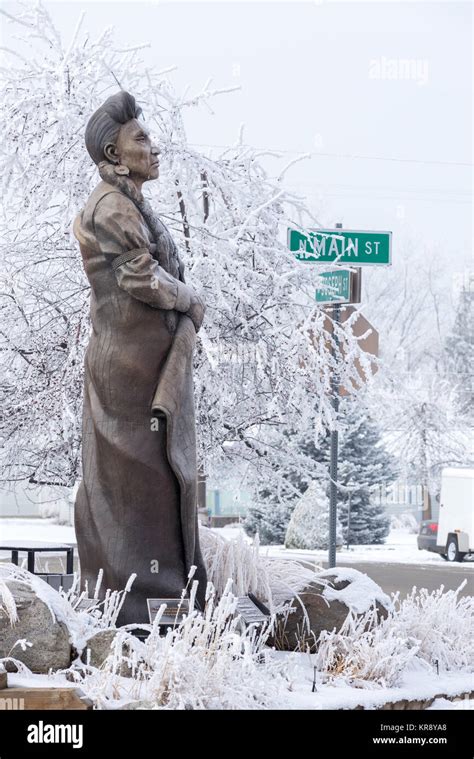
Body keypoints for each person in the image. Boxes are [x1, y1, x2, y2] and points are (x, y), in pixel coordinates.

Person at [73, 90, 207, 625]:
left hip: (143, 366)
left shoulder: (130, 204)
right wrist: (189, 300)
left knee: (157, 481)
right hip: (126, 377)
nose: (155, 147)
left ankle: (162, 600)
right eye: (141, 139)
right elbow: (139, 276)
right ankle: (136, 605)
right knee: (137, 486)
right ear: (113, 153)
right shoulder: (110, 208)